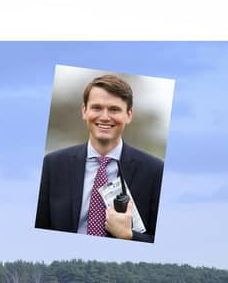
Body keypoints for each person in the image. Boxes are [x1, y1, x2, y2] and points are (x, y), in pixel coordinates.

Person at [35, 74, 164, 243]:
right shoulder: (52, 165)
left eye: (114, 109)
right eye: (96, 108)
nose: (104, 117)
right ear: (84, 111)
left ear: (129, 115)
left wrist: (128, 236)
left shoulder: (155, 171)